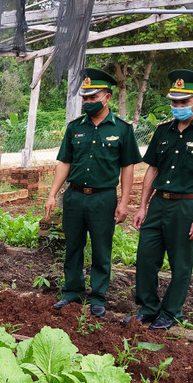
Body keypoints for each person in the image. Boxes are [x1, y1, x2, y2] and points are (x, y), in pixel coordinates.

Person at [126, 69, 193, 330]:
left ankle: (170, 312)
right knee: (146, 257)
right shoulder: (163, 131)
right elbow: (152, 169)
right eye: (174, 101)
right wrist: (142, 206)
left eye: (184, 102)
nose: (178, 106)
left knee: (180, 262)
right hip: (159, 203)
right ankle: (148, 307)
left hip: (187, 206)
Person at [45, 67, 141, 317]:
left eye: (93, 97)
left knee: (101, 248)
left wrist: (124, 202)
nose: (88, 102)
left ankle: (98, 296)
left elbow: (127, 168)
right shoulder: (75, 127)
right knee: (73, 246)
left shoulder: (122, 128)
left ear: (107, 97)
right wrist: (53, 194)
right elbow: (64, 162)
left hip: (103, 198)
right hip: (74, 196)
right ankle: (72, 292)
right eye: (85, 98)